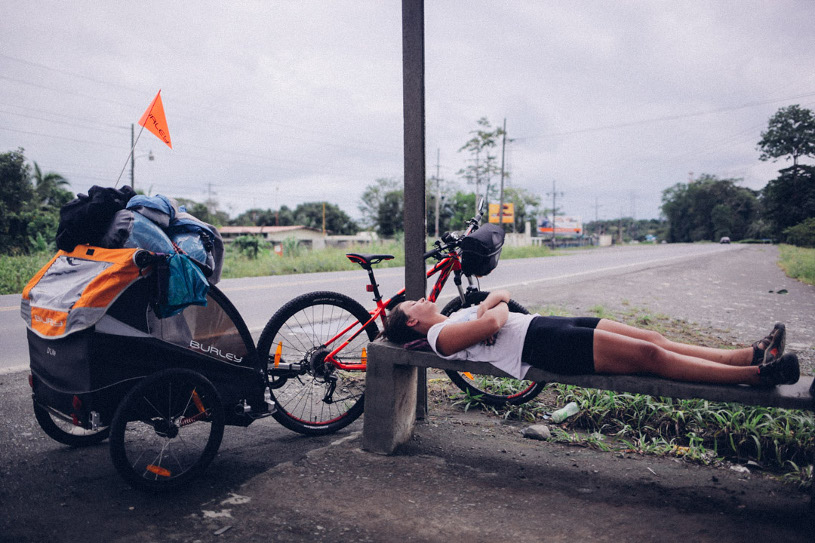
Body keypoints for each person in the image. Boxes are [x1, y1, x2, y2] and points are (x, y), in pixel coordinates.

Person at [381, 290, 799, 387]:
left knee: (652, 336)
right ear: (413, 324)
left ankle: (750, 354)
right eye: (410, 305)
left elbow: (499, 297)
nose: (418, 299)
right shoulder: (439, 335)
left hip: (548, 325)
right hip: (544, 345)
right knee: (649, 354)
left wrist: (496, 306)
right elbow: (495, 319)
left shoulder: (452, 316)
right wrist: (496, 309)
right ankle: (757, 375)